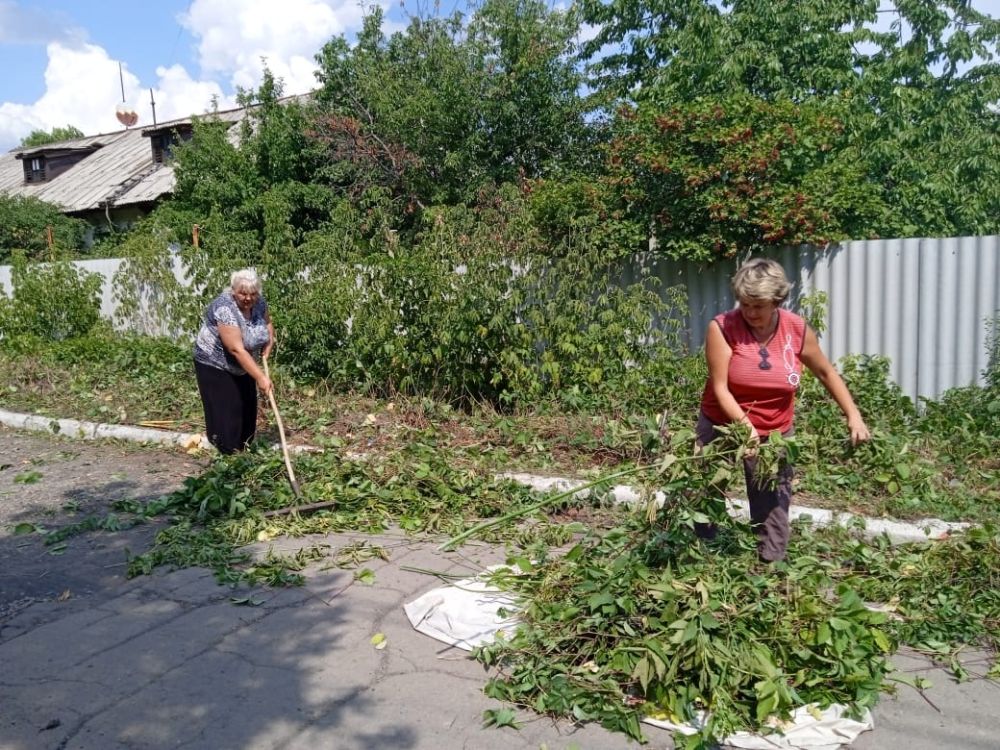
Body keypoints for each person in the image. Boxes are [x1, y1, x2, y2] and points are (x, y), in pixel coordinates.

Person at [697, 257, 870, 562]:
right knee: (707, 491)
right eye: (745, 304)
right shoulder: (722, 327)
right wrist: (745, 427)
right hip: (722, 424)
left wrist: (853, 414)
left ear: (777, 301)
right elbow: (720, 388)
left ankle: (770, 565)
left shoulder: (796, 329)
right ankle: (700, 556)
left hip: (775, 429)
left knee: (773, 499)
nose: (750, 312)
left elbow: (826, 372)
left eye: (759, 306)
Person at [193, 269, 274, 454]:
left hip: (243, 362)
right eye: (243, 293)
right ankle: (227, 453)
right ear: (233, 291)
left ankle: (244, 448)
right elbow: (236, 349)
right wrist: (261, 377)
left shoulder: (260, 303)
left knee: (247, 406)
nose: (248, 298)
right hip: (214, 363)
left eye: (253, 293)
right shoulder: (225, 308)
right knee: (228, 409)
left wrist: (269, 342)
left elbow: (268, 324)